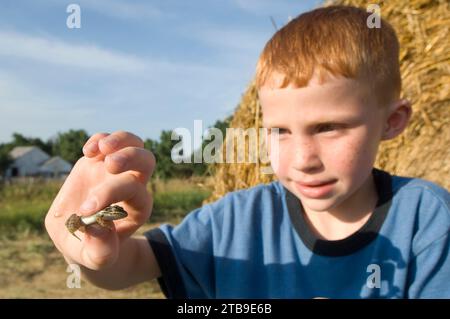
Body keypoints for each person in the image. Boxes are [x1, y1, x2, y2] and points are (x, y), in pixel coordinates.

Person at [45, 5, 450, 298]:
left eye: (329, 127)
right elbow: (129, 265)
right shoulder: (234, 221)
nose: (303, 158)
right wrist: (89, 248)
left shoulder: (426, 218)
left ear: (393, 121)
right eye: (279, 131)